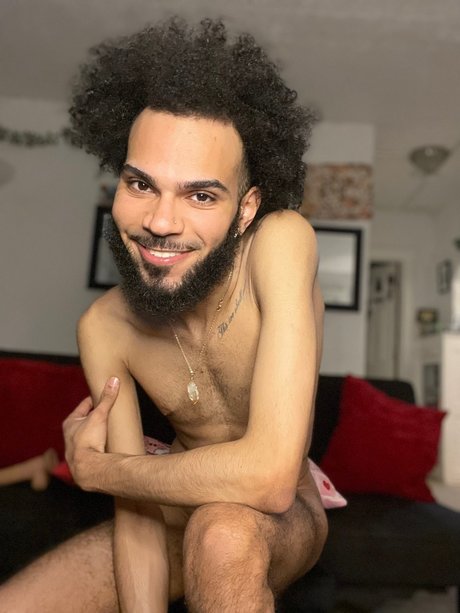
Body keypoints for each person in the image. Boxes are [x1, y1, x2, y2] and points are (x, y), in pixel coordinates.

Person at [0, 17, 333, 612]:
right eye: (141, 185)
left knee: (221, 531)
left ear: (245, 209)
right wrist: (120, 477)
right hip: (169, 507)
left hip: (278, 517)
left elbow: (270, 479)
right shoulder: (103, 328)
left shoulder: (281, 240)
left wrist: (103, 471)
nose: (160, 221)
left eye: (200, 195)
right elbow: (138, 521)